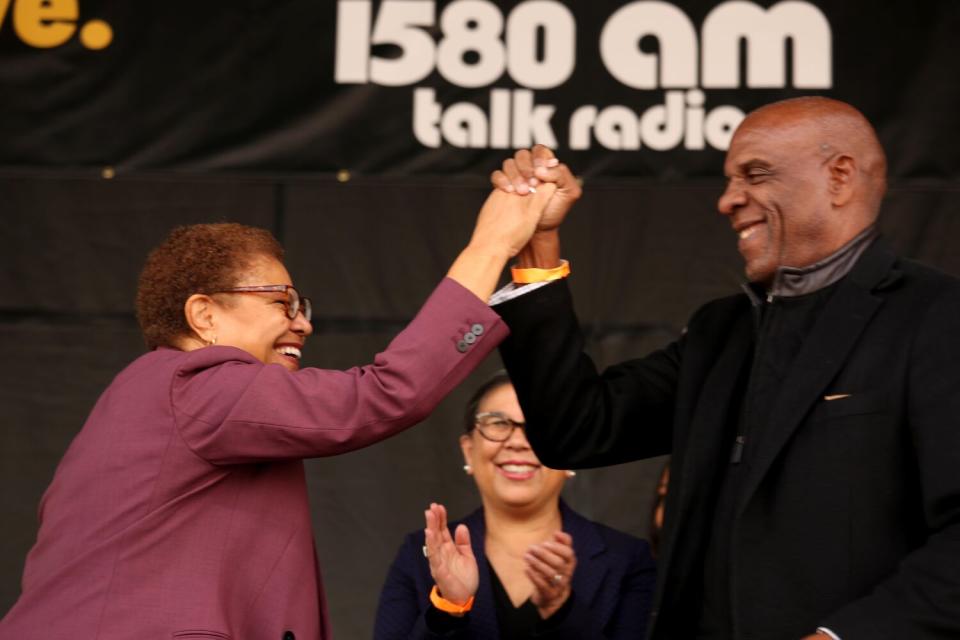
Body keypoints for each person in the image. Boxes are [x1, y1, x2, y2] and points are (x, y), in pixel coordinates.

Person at [489, 97, 960, 639]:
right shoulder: (722, 332)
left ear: (840, 177)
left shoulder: (934, 316)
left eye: (755, 174)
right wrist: (536, 251)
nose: (728, 200)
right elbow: (579, 429)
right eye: (730, 179)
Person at [0, 181, 557, 640]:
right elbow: (386, 394)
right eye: (280, 303)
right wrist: (492, 244)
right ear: (204, 315)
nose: (303, 323)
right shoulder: (196, 384)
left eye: (302, 306)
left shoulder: (148, 398)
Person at [374, 372, 656, 639]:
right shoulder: (418, 555)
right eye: (498, 423)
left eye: (539, 426)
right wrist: (450, 606)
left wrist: (562, 610)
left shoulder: (629, 559)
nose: (518, 442)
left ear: (571, 453)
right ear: (468, 451)